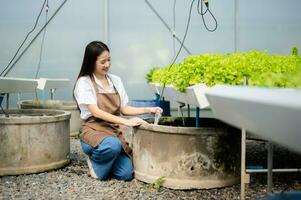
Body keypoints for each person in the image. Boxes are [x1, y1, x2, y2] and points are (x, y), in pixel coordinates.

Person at [73, 41, 163, 181]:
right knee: (113, 146)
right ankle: (95, 160)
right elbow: (95, 112)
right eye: (103, 62)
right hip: (93, 131)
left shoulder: (115, 81)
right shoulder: (85, 82)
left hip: (112, 132)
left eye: (109, 59)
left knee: (126, 174)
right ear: (91, 62)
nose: (107, 64)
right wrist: (126, 122)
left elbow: (124, 109)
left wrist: (148, 109)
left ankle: (106, 160)